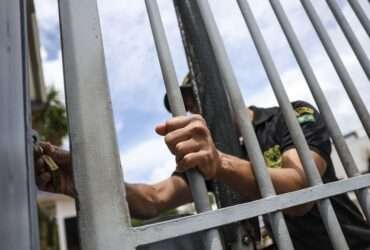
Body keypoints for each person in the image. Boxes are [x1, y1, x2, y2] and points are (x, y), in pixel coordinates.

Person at [35, 76, 370, 250]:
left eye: (199, 97)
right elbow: (152, 200)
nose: (195, 109)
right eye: (189, 104)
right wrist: (86, 183)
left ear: (227, 91)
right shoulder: (208, 153)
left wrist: (220, 164)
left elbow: (301, 190)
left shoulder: (288, 116)